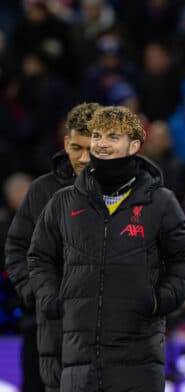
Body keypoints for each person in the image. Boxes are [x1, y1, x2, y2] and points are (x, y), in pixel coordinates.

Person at [27, 106, 185, 392]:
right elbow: (39, 256)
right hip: (78, 358)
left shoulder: (160, 202)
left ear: (134, 145)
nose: (102, 144)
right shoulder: (63, 202)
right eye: (97, 135)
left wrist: (161, 300)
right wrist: (51, 298)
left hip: (139, 358)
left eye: (113, 136)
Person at [5, 102, 99, 392]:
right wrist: (38, 295)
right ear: (66, 142)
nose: (83, 158)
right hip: (49, 328)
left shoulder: (132, 191)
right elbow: (17, 249)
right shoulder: (42, 191)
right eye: (76, 147)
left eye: (91, 147)